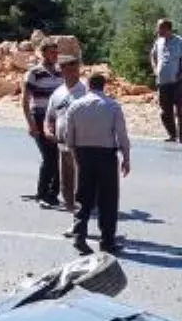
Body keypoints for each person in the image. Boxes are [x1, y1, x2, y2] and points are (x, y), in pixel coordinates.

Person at [61, 74, 131, 255]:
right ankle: (107, 241)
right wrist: (126, 157)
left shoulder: (76, 106)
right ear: (104, 86)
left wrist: (74, 153)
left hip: (83, 154)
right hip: (106, 155)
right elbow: (121, 134)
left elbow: (69, 135)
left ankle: (79, 237)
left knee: (83, 198)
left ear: (88, 85)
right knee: (108, 200)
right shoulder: (112, 106)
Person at [21, 40, 63, 207]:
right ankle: (42, 193)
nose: (55, 56)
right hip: (39, 117)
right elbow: (25, 100)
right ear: (43, 53)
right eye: (52, 52)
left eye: (56, 52)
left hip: (57, 119)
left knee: (60, 157)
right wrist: (31, 124)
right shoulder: (34, 73)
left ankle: (53, 193)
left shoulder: (60, 73)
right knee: (49, 157)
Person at [43, 54, 87, 214]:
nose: (73, 74)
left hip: (81, 143)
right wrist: (47, 130)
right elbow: (50, 116)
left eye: (75, 70)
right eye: (69, 70)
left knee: (81, 180)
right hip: (61, 142)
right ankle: (70, 208)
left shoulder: (85, 91)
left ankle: (83, 209)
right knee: (65, 180)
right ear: (62, 71)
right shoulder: (57, 93)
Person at [149, 18, 182, 143]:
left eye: (160, 28)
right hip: (162, 82)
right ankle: (172, 135)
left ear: (168, 29)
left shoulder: (179, 42)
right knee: (165, 112)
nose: (158, 30)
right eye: (158, 28)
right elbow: (152, 55)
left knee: (181, 111)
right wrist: (155, 69)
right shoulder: (159, 42)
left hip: (177, 82)